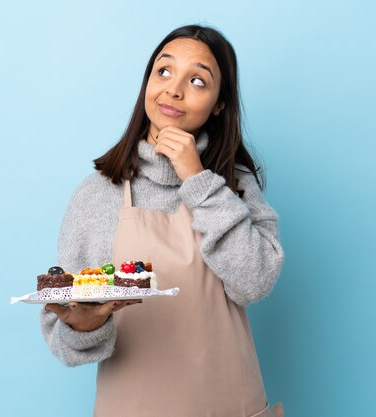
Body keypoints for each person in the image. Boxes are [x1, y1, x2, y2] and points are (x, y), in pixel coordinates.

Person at [41, 24, 285, 417]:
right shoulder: (98, 192)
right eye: (164, 71)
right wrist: (85, 325)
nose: (174, 89)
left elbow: (254, 282)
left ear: (219, 104)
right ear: (148, 85)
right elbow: (64, 336)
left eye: (198, 80)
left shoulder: (235, 185)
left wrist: (198, 179)